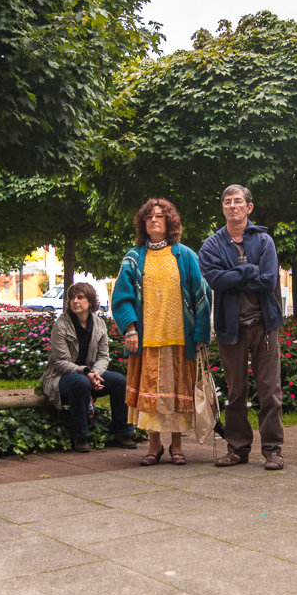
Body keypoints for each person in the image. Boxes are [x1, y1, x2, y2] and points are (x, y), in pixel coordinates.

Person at [113, 199, 211, 466]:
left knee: (178, 397)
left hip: (180, 340)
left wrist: (200, 334)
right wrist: (130, 329)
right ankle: (154, 446)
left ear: (170, 221)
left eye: (159, 216)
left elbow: (202, 294)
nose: (154, 220)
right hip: (147, 341)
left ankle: (177, 447)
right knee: (151, 398)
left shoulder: (186, 256)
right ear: (143, 223)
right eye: (148, 217)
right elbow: (121, 297)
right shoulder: (133, 258)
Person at [199, 185, 285, 470]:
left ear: (249, 207)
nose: (232, 205)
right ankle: (237, 449)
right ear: (223, 208)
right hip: (230, 327)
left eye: (238, 201)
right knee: (236, 392)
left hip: (264, 325)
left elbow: (268, 280)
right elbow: (216, 280)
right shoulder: (211, 245)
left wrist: (233, 275)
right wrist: (250, 269)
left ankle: (273, 450)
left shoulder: (264, 241)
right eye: (227, 202)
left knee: (269, 391)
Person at [40, 283, 135, 453]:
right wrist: (86, 372)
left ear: (90, 301)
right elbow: (60, 362)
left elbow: (103, 356)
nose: (75, 301)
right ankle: (80, 436)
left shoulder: (99, 324)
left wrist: (95, 373)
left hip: (90, 374)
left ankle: (123, 432)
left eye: (80, 297)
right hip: (60, 376)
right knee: (80, 382)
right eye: (72, 298)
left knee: (119, 381)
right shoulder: (61, 325)